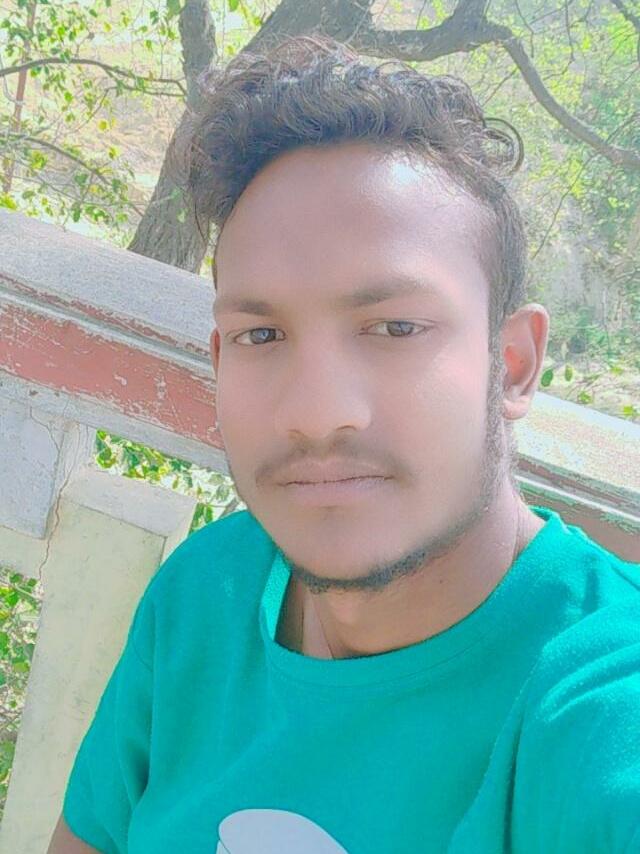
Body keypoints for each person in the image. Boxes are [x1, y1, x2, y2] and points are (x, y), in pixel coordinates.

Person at [49, 35, 640, 854]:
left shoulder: (595, 702)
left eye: (394, 328)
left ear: (511, 365)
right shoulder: (206, 595)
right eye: (262, 335)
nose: (316, 413)